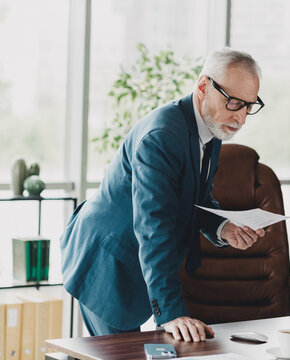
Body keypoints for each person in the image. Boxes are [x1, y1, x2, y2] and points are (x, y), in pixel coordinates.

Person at [59, 48, 266, 342]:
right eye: (234, 102)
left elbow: (196, 197)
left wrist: (224, 228)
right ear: (203, 86)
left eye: (249, 105)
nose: (242, 118)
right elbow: (153, 227)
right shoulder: (162, 136)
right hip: (107, 265)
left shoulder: (212, 126)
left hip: (131, 263)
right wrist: (170, 313)